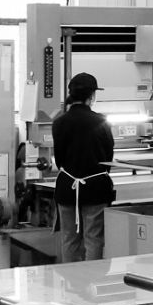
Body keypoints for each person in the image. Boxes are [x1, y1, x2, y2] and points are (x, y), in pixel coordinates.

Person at [52, 72, 115, 263]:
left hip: (67, 187)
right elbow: (108, 158)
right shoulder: (101, 121)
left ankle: (70, 279)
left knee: (69, 239)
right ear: (92, 96)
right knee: (94, 239)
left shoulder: (59, 122)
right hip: (95, 188)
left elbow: (59, 160)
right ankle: (92, 279)